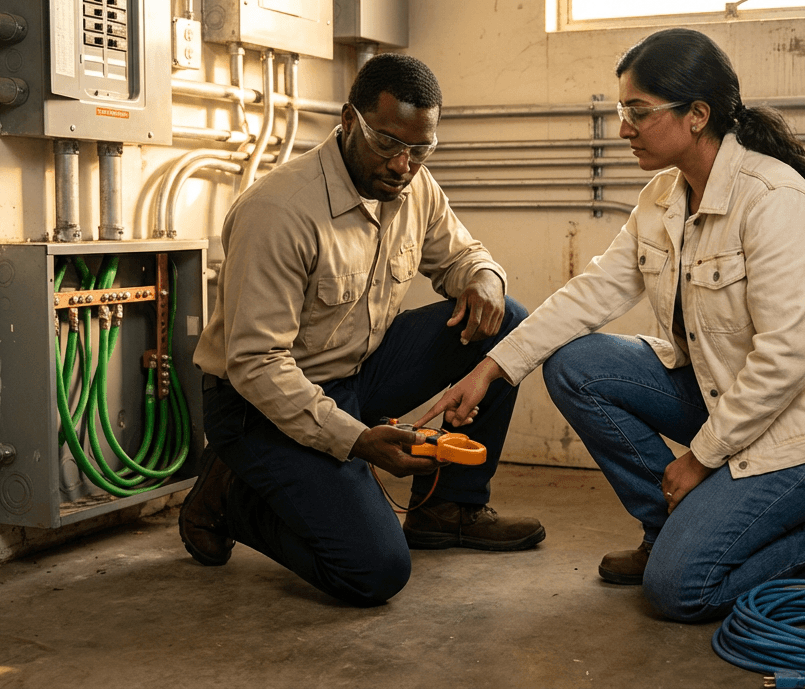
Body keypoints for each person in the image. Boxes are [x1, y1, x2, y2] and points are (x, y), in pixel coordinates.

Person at [416, 28, 805, 623]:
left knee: (682, 590)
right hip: (727, 395)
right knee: (577, 365)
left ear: (697, 115)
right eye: (621, 109)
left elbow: (786, 361)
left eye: (637, 111)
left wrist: (700, 459)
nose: (623, 127)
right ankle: (669, 532)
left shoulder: (775, 199)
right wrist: (491, 369)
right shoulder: (662, 198)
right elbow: (592, 292)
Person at [182, 53, 545, 608]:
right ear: (349, 120)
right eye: (389, 144)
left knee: (507, 323)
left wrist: (484, 279)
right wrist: (356, 440)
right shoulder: (280, 212)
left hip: (357, 371)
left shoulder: (412, 185)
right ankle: (232, 496)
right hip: (259, 404)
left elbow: (462, 255)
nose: (403, 165)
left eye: (420, 149)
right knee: (373, 572)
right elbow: (256, 365)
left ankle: (448, 509)